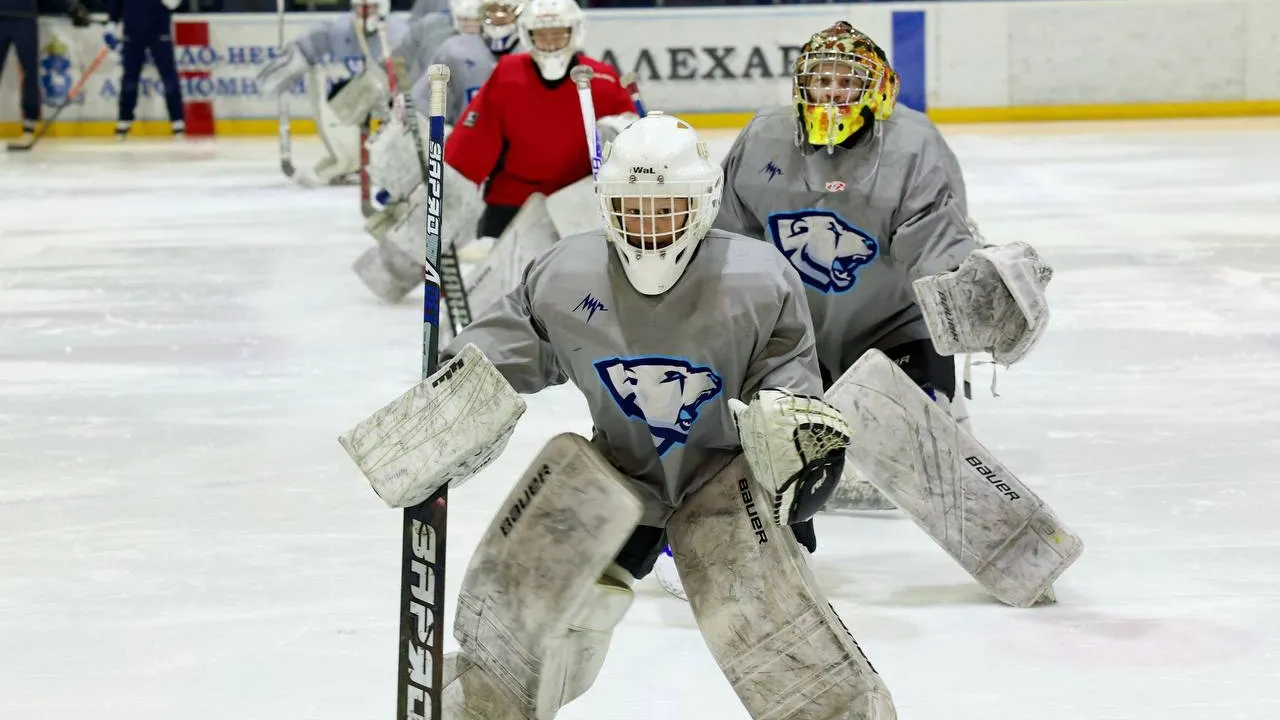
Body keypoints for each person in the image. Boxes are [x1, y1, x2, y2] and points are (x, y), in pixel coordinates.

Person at [341, 111, 897, 719]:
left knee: (784, 652)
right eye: (632, 209)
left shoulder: (758, 280)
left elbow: (788, 388)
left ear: (703, 203)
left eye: (666, 209)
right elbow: (500, 357)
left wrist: (799, 448)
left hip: (732, 487)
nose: (649, 227)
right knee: (536, 634)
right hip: (619, 476)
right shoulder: (565, 274)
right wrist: (449, 397)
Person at [703, 20, 1070, 608]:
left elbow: (938, 249)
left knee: (918, 431)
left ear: (878, 90)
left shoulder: (913, 146)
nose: (830, 96)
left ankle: (952, 432)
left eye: (845, 83)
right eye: (819, 82)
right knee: (756, 433)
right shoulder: (762, 138)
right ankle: (764, 543)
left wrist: (972, 290)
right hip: (797, 337)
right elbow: (728, 245)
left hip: (890, 330)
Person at [354, 0, 638, 307]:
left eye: (559, 34)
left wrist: (621, 134)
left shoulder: (602, 80)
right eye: (542, 35)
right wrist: (445, 190)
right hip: (512, 201)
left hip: (576, 208)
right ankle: (393, 269)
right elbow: (472, 147)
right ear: (528, 35)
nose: (551, 43)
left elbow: (635, 145)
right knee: (502, 303)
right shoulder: (508, 74)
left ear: (575, 33)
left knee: (580, 299)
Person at [256, 0, 408, 186]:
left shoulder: (401, 33)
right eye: (360, 8)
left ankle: (387, 159)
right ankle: (350, 161)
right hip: (357, 101)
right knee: (340, 98)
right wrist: (286, 67)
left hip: (391, 103)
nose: (365, 14)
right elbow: (308, 45)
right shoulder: (339, 29)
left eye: (370, 8)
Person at [0, 0, 90, 146]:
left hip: (24, 18)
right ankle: (29, 122)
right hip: (13, 17)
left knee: (29, 70)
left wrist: (70, 7)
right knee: (29, 70)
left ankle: (29, 124)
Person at [105, 0, 185, 138]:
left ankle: (177, 121)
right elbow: (116, 4)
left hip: (159, 31)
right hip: (132, 31)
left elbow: (174, 4)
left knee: (168, 76)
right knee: (129, 78)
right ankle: (124, 120)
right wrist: (111, 23)